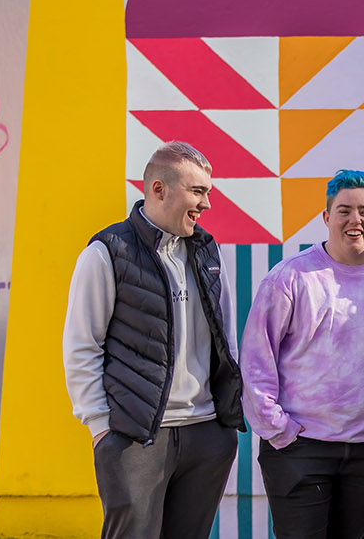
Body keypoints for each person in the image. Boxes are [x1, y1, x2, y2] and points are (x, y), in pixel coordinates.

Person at [62, 141, 244, 538]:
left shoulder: (207, 251)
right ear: (159, 189)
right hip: (135, 438)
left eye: (208, 192)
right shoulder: (107, 251)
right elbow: (81, 346)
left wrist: (223, 430)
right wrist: (101, 429)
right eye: (198, 191)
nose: (207, 204)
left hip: (206, 433)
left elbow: (225, 341)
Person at [239, 170, 364, 538]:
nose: (356, 220)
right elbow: (257, 360)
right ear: (326, 217)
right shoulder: (291, 277)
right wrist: (280, 429)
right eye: (344, 211)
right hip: (300, 448)